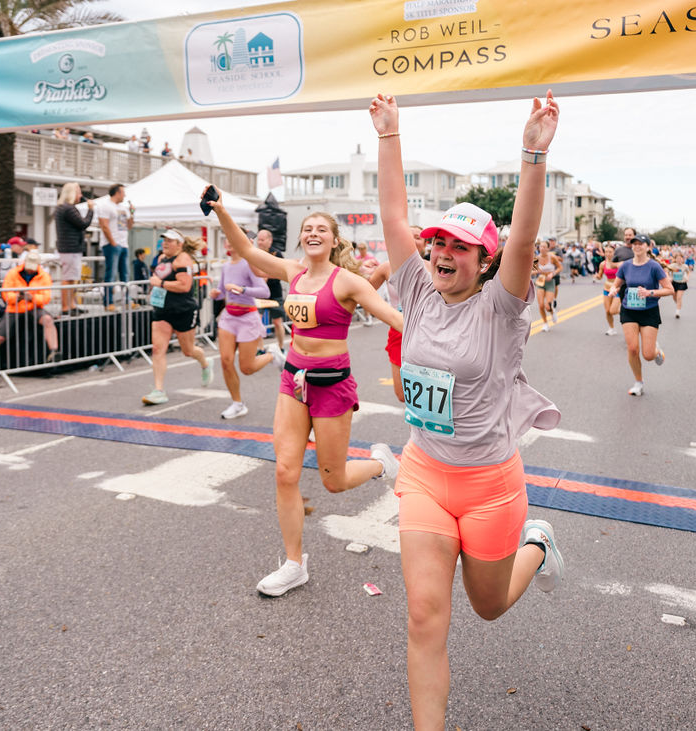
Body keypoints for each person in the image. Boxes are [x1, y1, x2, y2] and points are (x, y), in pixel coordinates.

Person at [371, 90, 563, 730]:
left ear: (485, 261)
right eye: (437, 245)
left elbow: (527, 234)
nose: (442, 254)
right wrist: (390, 133)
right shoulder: (418, 291)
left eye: (459, 247)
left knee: (487, 607)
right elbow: (394, 216)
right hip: (426, 471)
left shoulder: (501, 308)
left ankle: (537, 543)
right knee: (425, 614)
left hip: (488, 485)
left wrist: (533, 151)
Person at [206, 187, 404, 597]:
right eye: (307, 229)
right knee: (285, 471)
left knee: (333, 481)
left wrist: (449, 340)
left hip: (332, 386)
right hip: (293, 379)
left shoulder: (348, 281)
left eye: (321, 229)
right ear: (301, 239)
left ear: (334, 240)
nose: (313, 233)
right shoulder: (293, 272)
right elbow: (245, 248)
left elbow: (393, 317)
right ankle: (295, 564)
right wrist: (221, 209)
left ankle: (380, 466)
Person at [142, 229, 213, 405]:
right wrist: (155, 287)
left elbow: (185, 285)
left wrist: (161, 283)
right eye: (164, 240)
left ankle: (205, 362)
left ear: (179, 245)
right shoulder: (161, 259)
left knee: (188, 351)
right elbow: (158, 279)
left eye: (170, 241)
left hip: (183, 310)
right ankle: (159, 390)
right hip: (162, 310)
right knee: (158, 349)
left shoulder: (183, 259)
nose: (165, 243)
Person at [210, 242, 275, 419]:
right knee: (225, 361)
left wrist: (242, 289)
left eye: (232, 240)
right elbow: (224, 292)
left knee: (247, 368)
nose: (229, 243)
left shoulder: (248, 264)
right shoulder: (225, 266)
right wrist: (217, 294)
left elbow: (264, 291)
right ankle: (237, 403)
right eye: (227, 240)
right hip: (229, 317)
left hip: (247, 318)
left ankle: (272, 355)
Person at [608, 233, 674, 396]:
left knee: (648, 355)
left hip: (649, 312)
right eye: (634, 244)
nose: (637, 246)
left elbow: (669, 289)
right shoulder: (625, 266)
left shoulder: (654, 266)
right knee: (632, 349)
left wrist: (650, 292)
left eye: (641, 244)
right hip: (629, 310)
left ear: (647, 247)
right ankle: (638, 382)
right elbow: (616, 284)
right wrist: (613, 289)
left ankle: (656, 351)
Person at [368, 229, 429, 403]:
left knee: (428, 387)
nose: (411, 241)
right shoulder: (387, 267)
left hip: (428, 331)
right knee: (402, 394)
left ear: (425, 244)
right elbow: (363, 292)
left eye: (417, 238)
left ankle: (425, 426)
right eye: (407, 236)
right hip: (398, 331)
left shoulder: (435, 267)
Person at [0, 250, 61, 367]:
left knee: (48, 320)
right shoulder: (12, 273)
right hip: (14, 308)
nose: (30, 270)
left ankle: (54, 351)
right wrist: (18, 297)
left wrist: (32, 297)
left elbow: (46, 298)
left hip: (34, 307)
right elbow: (5, 295)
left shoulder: (44, 276)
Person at [54, 182, 95, 313]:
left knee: (72, 278)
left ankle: (71, 305)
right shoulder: (68, 208)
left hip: (70, 247)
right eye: (79, 192)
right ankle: (66, 307)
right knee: (68, 278)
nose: (81, 195)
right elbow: (83, 223)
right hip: (70, 248)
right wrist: (91, 209)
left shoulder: (63, 208)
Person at [96, 183, 132, 310]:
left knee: (125, 274)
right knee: (110, 274)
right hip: (112, 244)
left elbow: (129, 226)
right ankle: (108, 302)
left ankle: (127, 300)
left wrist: (132, 213)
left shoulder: (123, 207)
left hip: (123, 244)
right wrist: (112, 242)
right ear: (117, 192)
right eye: (123, 192)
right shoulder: (105, 205)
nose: (125, 195)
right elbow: (104, 225)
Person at [253, 229, 288, 353]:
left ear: (270, 240)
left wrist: (267, 275)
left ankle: (281, 346)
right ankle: (260, 348)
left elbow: (283, 272)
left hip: (274, 292)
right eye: (258, 240)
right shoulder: (254, 253)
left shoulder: (276, 254)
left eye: (262, 240)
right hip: (259, 293)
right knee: (256, 320)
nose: (260, 242)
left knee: (277, 322)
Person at [533, 240, 561, 331]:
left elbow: (560, 267)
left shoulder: (552, 257)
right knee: (541, 305)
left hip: (550, 282)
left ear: (548, 248)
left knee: (547, 306)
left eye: (544, 247)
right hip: (540, 282)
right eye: (541, 247)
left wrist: (552, 274)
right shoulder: (536, 258)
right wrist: (535, 272)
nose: (542, 248)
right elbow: (532, 271)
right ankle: (545, 323)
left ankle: (552, 312)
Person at [594, 243, 621, 335]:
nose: (608, 254)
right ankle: (611, 328)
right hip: (607, 287)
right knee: (607, 311)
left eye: (610, 252)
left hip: (617, 288)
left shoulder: (618, 263)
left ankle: (626, 311)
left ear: (614, 253)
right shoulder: (603, 264)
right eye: (606, 252)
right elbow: (600, 276)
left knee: (613, 310)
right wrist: (597, 276)